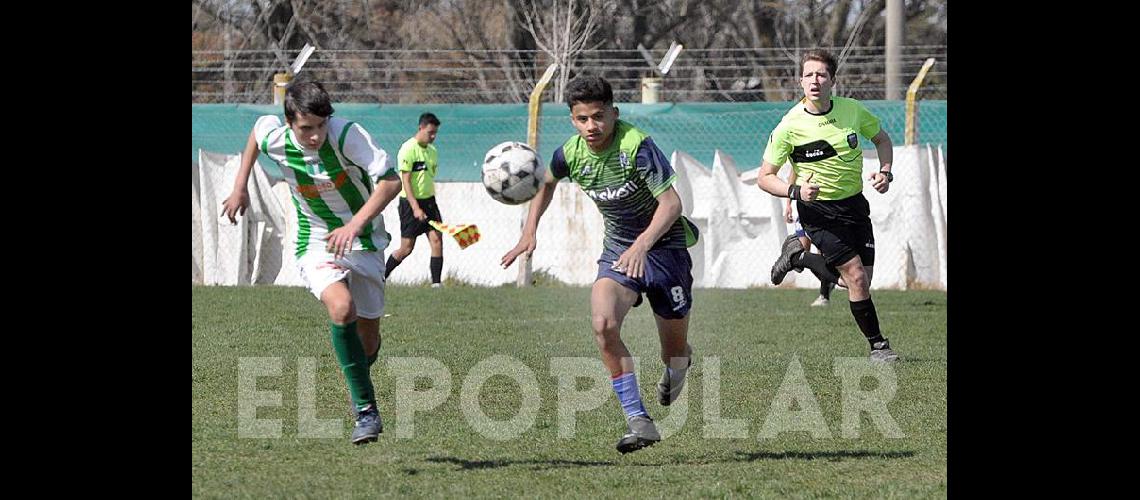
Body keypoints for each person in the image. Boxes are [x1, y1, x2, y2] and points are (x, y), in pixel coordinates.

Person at [501, 75, 700, 454]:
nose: (591, 127)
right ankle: (639, 421)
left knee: (671, 352)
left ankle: (680, 364)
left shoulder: (635, 146)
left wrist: (644, 244)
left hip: (666, 249)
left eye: (598, 117)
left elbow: (672, 204)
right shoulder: (570, 153)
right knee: (602, 324)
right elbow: (546, 182)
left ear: (614, 113)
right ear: (573, 120)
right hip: (619, 252)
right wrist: (529, 232)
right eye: (582, 119)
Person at [221, 80, 403, 444]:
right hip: (315, 241)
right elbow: (256, 135)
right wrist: (240, 186)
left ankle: (358, 379)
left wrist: (354, 224)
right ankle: (365, 410)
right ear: (289, 122)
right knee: (341, 307)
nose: (316, 135)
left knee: (368, 340)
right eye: (306, 128)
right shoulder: (278, 137)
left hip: (364, 240)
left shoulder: (347, 135)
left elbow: (390, 182)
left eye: (321, 125)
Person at [757, 50, 899, 362]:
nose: (815, 80)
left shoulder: (852, 111)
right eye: (809, 75)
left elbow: (883, 141)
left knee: (862, 282)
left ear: (833, 80)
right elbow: (765, 177)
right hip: (819, 212)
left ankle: (799, 256)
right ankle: (879, 346)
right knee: (856, 277)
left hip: (855, 206)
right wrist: (795, 191)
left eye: (821, 74)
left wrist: (886, 173)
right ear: (800, 82)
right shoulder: (789, 126)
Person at [384, 113, 446, 287]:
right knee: (406, 249)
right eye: (430, 132)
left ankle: (436, 285)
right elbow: (406, 181)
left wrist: (427, 205)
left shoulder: (433, 151)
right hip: (410, 204)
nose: (433, 136)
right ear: (421, 128)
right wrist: (416, 208)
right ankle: (381, 276)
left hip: (430, 202)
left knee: (436, 240)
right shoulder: (408, 149)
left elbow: (429, 176)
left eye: (435, 133)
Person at [779, 170, 842, 307]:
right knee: (801, 254)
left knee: (822, 252)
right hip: (803, 210)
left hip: (822, 210)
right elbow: (792, 179)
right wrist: (788, 205)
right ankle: (832, 280)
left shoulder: (826, 160)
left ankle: (824, 296)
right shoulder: (798, 158)